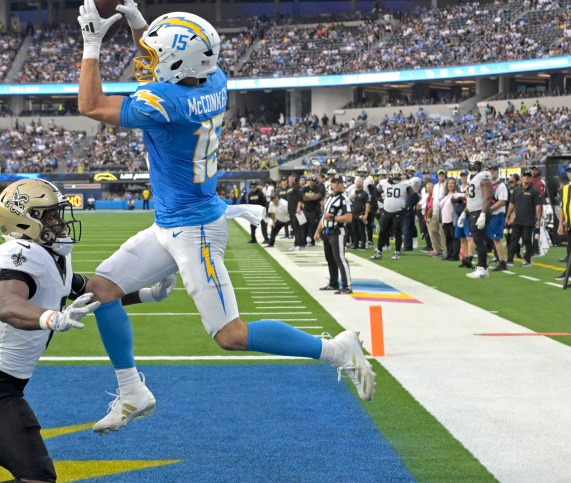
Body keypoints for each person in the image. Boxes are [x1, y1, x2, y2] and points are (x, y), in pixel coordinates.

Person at [76, 1, 375, 434]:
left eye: (159, 56)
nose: (151, 62)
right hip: (173, 222)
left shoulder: (166, 101)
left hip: (194, 228)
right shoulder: (214, 78)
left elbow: (90, 104)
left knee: (230, 334)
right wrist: (139, 21)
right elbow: (161, 64)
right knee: (101, 290)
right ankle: (132, 392)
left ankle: (337, 350)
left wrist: (91, 42)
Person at [0, 179, 177, 483]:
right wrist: (51, 318)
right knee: (37, 477)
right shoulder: (19, 253)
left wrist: (148, 294)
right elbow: (8, 304)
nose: (60, 221)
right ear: (24, 220)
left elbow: (94, 293)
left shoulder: (50, 254)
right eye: (50, 215)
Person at [316, 176, 353, 294]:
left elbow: (349, 218)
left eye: (339, 183)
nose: (336, 185)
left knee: (340, 259)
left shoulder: (344, 199)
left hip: (338, 231)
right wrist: (318, 231)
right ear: (331, 184)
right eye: (334, 183)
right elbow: (324, 216)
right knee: (330, 259)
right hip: (327, 232)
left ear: (342, 184)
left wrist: (332, 217)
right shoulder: (329, 198)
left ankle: (347, 286)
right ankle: (333, 283)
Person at [460, 154, 493, 279]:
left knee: (479, 241)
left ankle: (482, 269)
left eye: (475, 164)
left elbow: (487, 197)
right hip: (474, 211)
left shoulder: (484, 176)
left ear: (480, 165)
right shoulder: (472, 177)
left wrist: (483, 214)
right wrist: (464, 212)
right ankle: (481, 267)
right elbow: (472, 198)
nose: (473, 166)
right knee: (477, 240)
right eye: (471, 164)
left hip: (480, 211)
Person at [372, 166, 413, 260]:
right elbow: (376, 193)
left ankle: (397, 252)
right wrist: (381, 199)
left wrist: (408, 207)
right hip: (386, 211)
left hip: (398, 211)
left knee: (397, 232)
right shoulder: (384, 183)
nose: (395, 177)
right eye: (394, 175)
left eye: (397, 175)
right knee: (382, 231)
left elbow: (415, 196)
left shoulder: (405, 184)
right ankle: (379, 252)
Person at [505, 170, 542, 269]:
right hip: (517, 220)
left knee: (527, 240)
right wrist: (508, 215)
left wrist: (538, 219)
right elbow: (512, 204)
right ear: (521, 178)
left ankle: (527, 260)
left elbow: (538, 206)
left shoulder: (534, 191)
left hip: (528, 220)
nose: (526, 178)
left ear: (530, 178)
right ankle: (509, 260)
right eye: (524, 176)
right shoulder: (516, 190)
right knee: (513, 240)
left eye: (528, 176)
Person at [487, 165, 509, 272]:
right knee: (493, 238)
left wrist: (489, 209)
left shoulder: (501, 185)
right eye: (490, 170)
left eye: (494, 171)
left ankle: (502, 262)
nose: (492, 173)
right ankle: (498, 259)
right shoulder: (489, 185)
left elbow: (502, 201)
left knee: (497, 238)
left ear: (497, 172)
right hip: (491, 214)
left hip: (497, 214)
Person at [439, 178, 462, 261]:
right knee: (448, 239)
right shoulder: (446, 196)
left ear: (455, 185)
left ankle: (455, 255)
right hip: (445, 220)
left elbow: (462, 197)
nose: (450, 185)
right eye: (449, 183)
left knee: (454, 238)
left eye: (452, 183)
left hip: (452, 220)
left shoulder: (457, 195)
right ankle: (449, 253)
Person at [556, 165, 571, 280]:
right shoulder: (566, 188)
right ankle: (569, 273)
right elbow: (563, 207)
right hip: (570, 224)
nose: (570, 173)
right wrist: (561, 223)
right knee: (569, 251)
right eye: (569, 171)